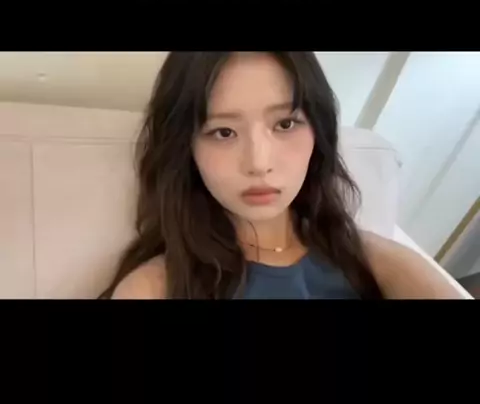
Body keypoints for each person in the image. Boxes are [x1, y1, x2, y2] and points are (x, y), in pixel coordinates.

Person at [100, 51, 472, 300]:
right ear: (186, 147)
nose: (259, 163)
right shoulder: (154, 287)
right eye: (223, 132)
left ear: (318, 132)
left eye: (285, 124)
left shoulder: (365, 256)